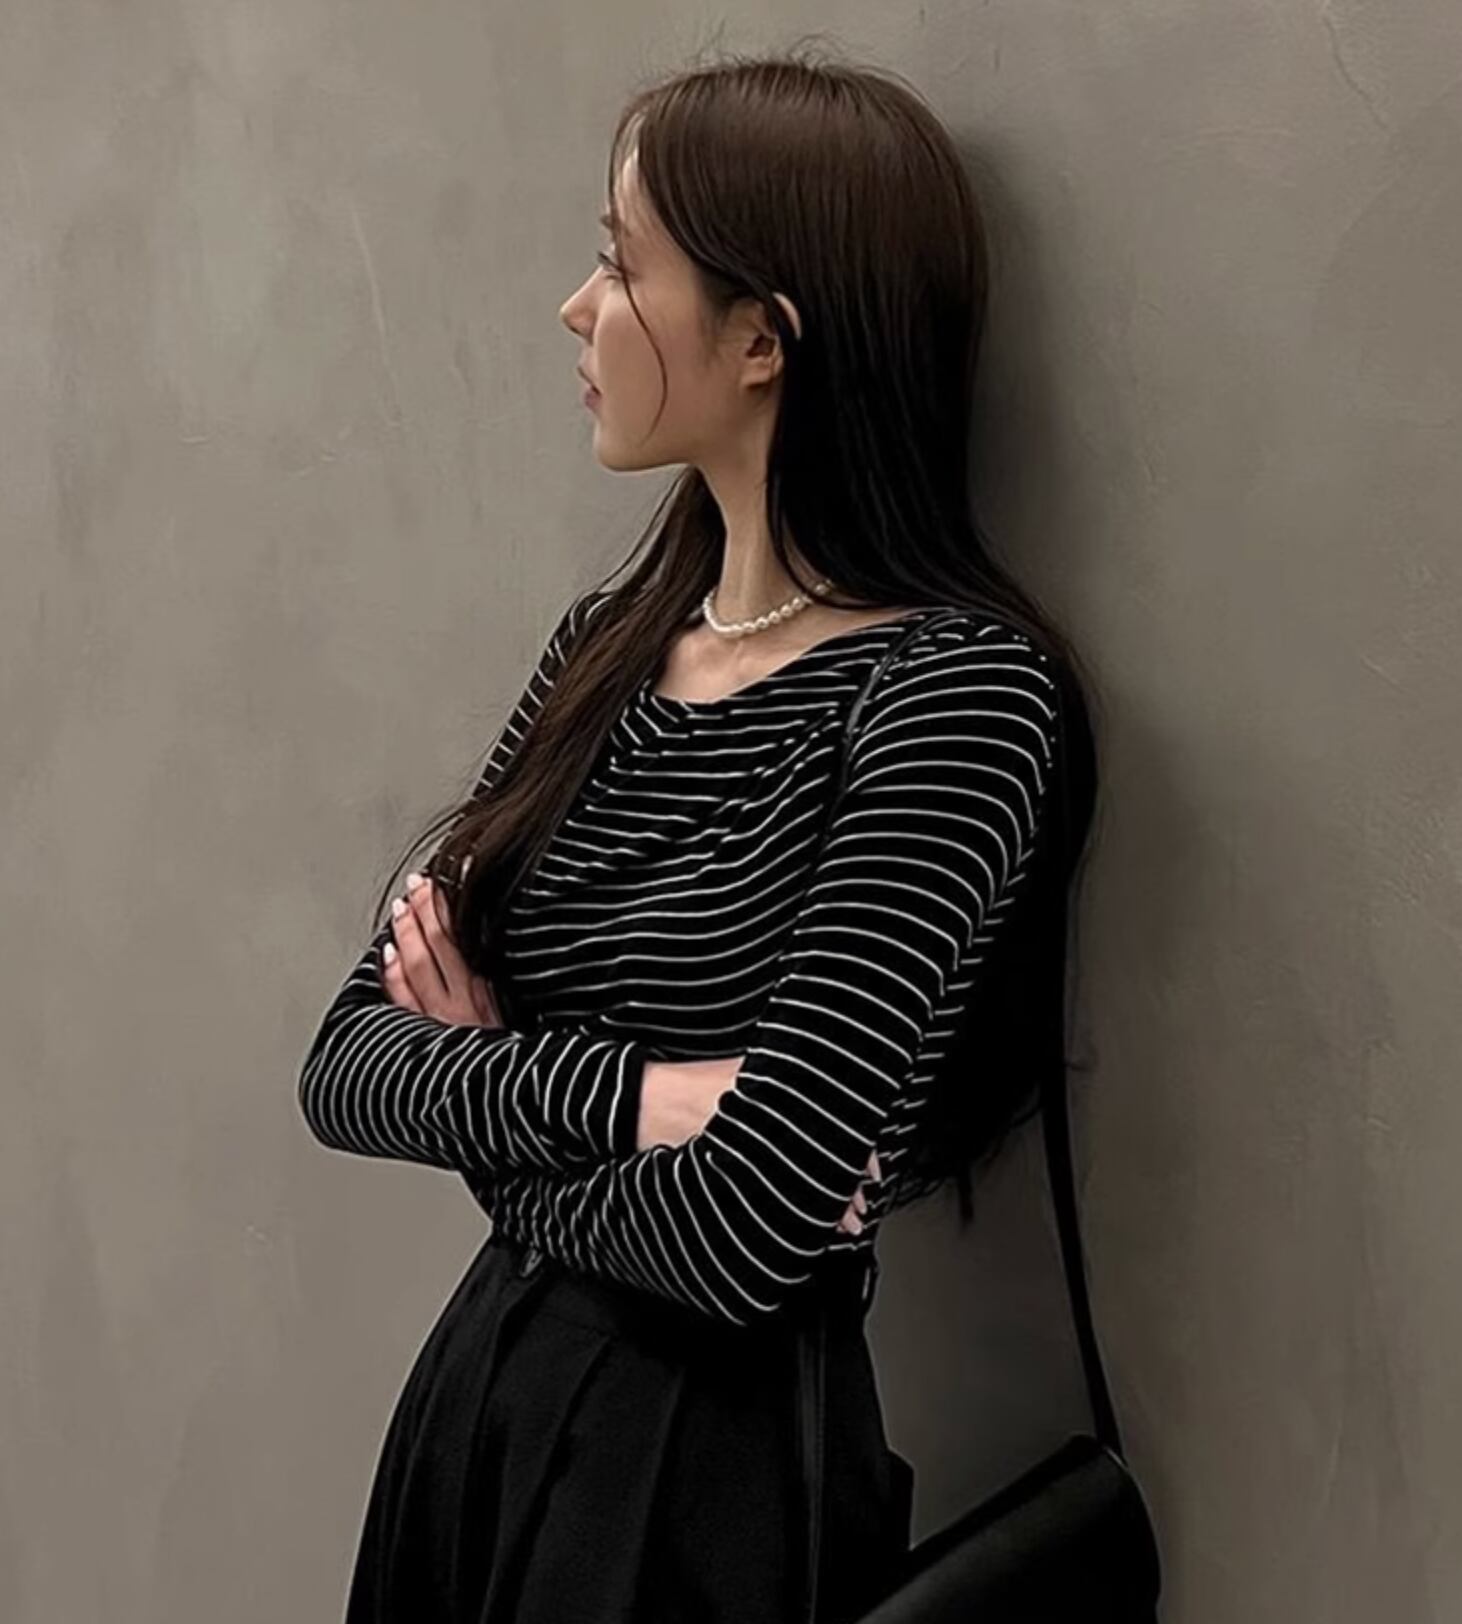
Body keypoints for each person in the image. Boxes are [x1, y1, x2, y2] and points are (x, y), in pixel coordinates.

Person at [297, 43, 1097, 1624]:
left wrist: (487, 1100)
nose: (575, 309)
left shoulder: (954, 697)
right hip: (480, 1413)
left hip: (692, 1477)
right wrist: (645, 1096)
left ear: (759, 339)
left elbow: (750, 1233)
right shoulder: (605, 647)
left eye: (620, 264)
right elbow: (345, 1062)